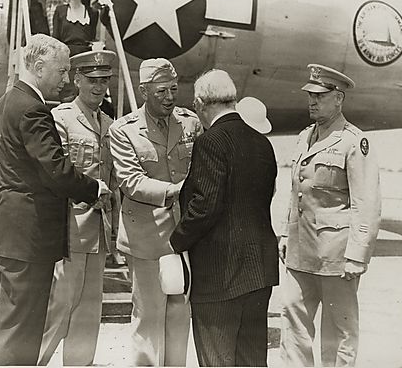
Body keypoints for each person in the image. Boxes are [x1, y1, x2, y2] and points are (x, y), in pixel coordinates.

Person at [0, 34, 110, 366]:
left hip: (5, 231)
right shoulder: (34, 109)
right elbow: (56, 169)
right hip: (28, 237)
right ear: (39, 67)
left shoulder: (6, 101)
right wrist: (94, 190)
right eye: (62, 71)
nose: (65, 80)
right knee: (21, 330)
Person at [169, 69, 279, 367]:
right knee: (252, 359)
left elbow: (205, 207)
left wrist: (176, 241)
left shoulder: (211, 142)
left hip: (220, 273)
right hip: (259, 272)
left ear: (202, 103)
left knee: (216, 358)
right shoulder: (262, 143)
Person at [279, 64, 381, 367]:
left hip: (337, 256)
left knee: (338, 331)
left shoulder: (353, 142)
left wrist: (357, 255)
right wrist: (286, 233)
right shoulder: (304, 137)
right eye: (310, 95)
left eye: (320, 96)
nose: (312, 101)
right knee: (293, 323)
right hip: (300, 251)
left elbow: (367, 202)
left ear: (339, 99)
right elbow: (296, 191)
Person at [109, 58, 202, 366]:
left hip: (185, 235)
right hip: (146, 238)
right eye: (161, 90)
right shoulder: (123, 130)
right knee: (149, 314)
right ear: (144, 90)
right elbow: (131, 181)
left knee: (179, 311)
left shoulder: (190, 122)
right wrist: (178, 191)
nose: (169, 97)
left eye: (174, 89)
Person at [38, 49, 119, 366]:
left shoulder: (111, 124)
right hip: (69, 232)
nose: (99, 88)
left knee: (88, 313)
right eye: (92, 81)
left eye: (104, 81)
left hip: (98, 233)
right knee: (60, 307)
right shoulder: (61, 119)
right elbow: (55, 177)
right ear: (77, 80)